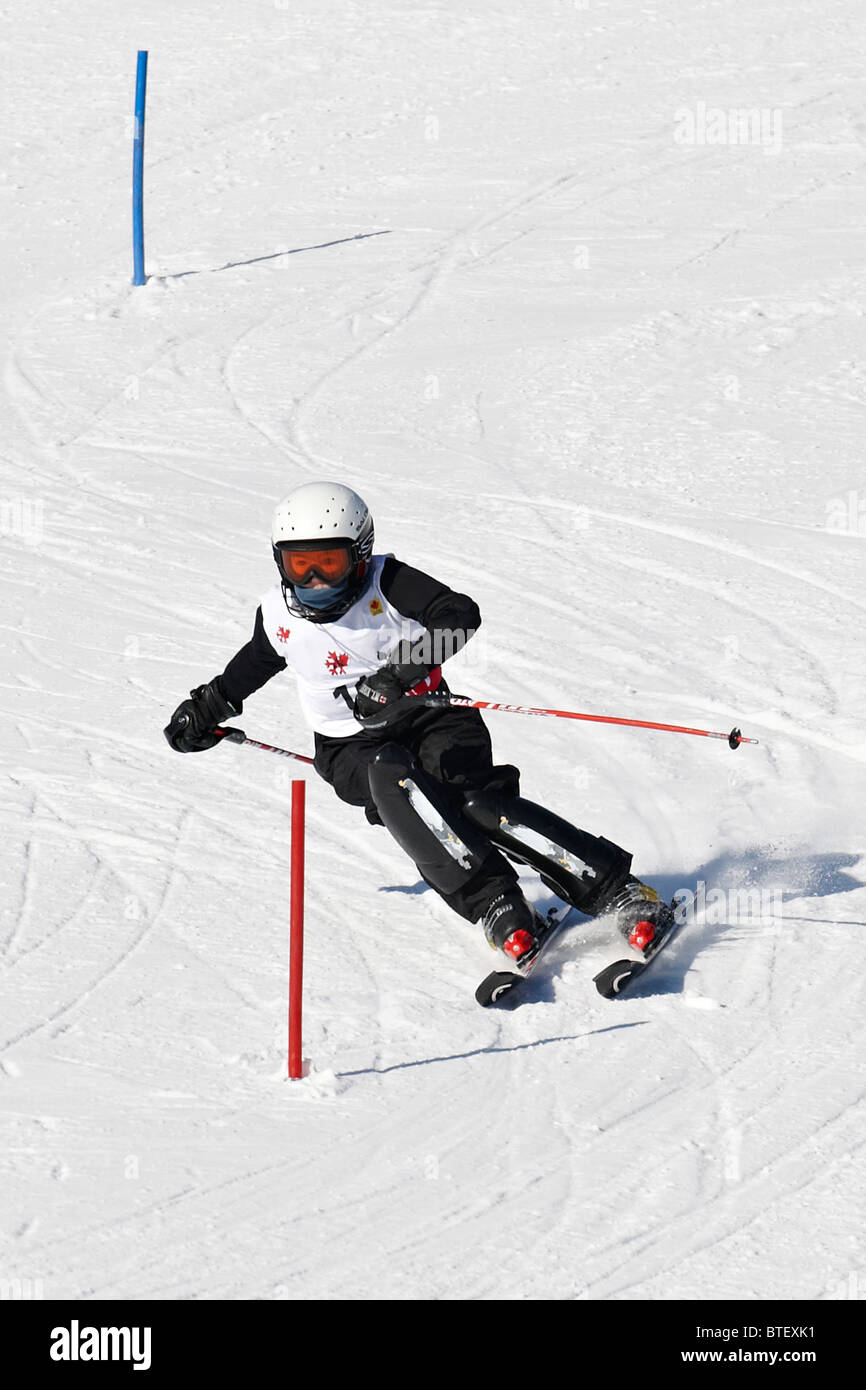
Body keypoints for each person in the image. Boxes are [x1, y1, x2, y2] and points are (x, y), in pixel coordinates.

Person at [164, 481, 673, 969]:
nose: (315, 579)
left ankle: (615, 891)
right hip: (349, 748)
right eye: (301, 565)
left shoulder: (388, 583)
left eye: (329, 562)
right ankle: (495, 904)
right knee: (398, 783)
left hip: (432, 718)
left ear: (360, 554)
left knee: (478, 805)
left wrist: (400, 673)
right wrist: (206, 711)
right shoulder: (277, 613)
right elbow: (254, 663)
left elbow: (459, 614)